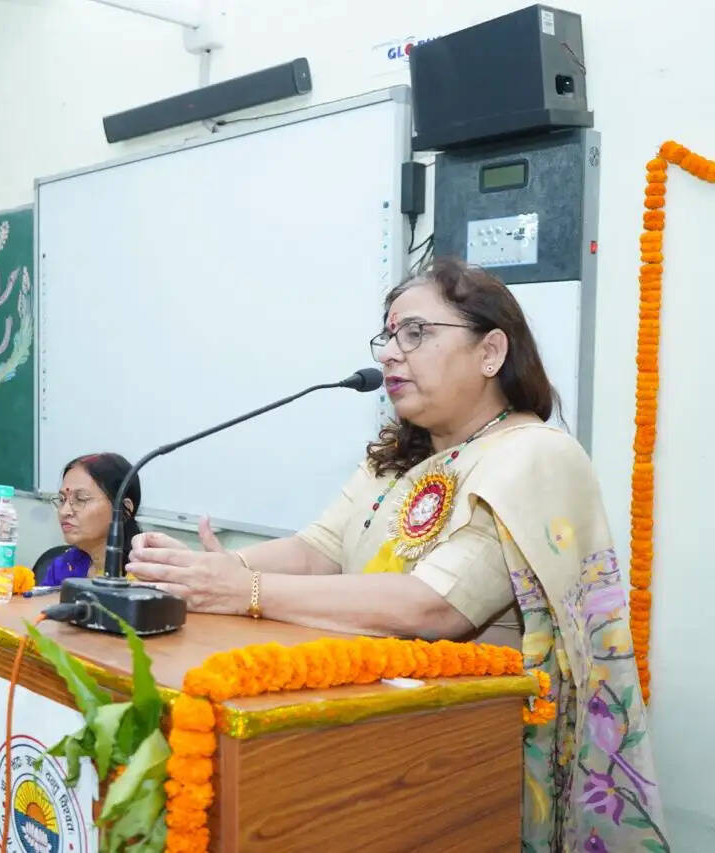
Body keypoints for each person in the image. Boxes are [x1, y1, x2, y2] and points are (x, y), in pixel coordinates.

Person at [126, 257, 665, 850]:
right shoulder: (396, 460)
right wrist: (212, 572)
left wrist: (243, 590)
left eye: (416, 333)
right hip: (366, 737)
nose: (388, 352)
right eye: (388, 334)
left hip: (465, 766)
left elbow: (437, 606)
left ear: (491, 353)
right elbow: (317, 550)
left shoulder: (534, 454)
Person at [40, 453, 141, 585]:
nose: (64, 511)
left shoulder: (147, 574)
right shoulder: (65, 566)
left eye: (80, 499)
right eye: (62, 500)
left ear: (124, 509)